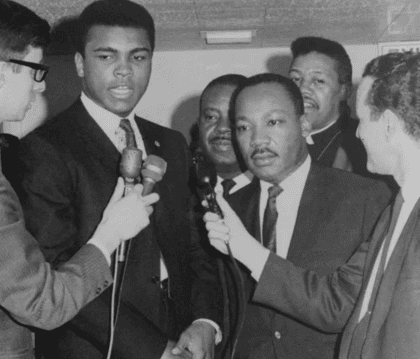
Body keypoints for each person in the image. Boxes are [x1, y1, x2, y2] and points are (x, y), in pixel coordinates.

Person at [17, 1, 222, 359]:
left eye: (138, 58)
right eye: (107, 57)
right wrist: (155, 350)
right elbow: (57, 271)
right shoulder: (44, 149)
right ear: (81, 63)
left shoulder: (171, 144)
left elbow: (195, 247)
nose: (124, 71)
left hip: (181, 341)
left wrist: (205, 321)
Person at [206, 53, 420, 359]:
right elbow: (336, 304)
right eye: (244, 127)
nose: (356, 133)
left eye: (360, 120)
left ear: (387, 123)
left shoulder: (373, 200)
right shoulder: (396, 210)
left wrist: (243, 246)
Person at [0, 1, 158, 358]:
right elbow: (42, 302)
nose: (40, 87)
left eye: (138, 57)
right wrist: (110, 233)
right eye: (35, 71)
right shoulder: (41, 150)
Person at [288, 36, 368, 173]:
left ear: (345, 91)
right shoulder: (276, 137)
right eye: (295, 79)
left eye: (318, 80)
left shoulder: (363, 143)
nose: (302, 89)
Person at [197, 74, 252, 196]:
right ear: (199, 124)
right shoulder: (177, 191)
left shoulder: (275, 191)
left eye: (234, 117)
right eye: (211, 117)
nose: (222, 127)